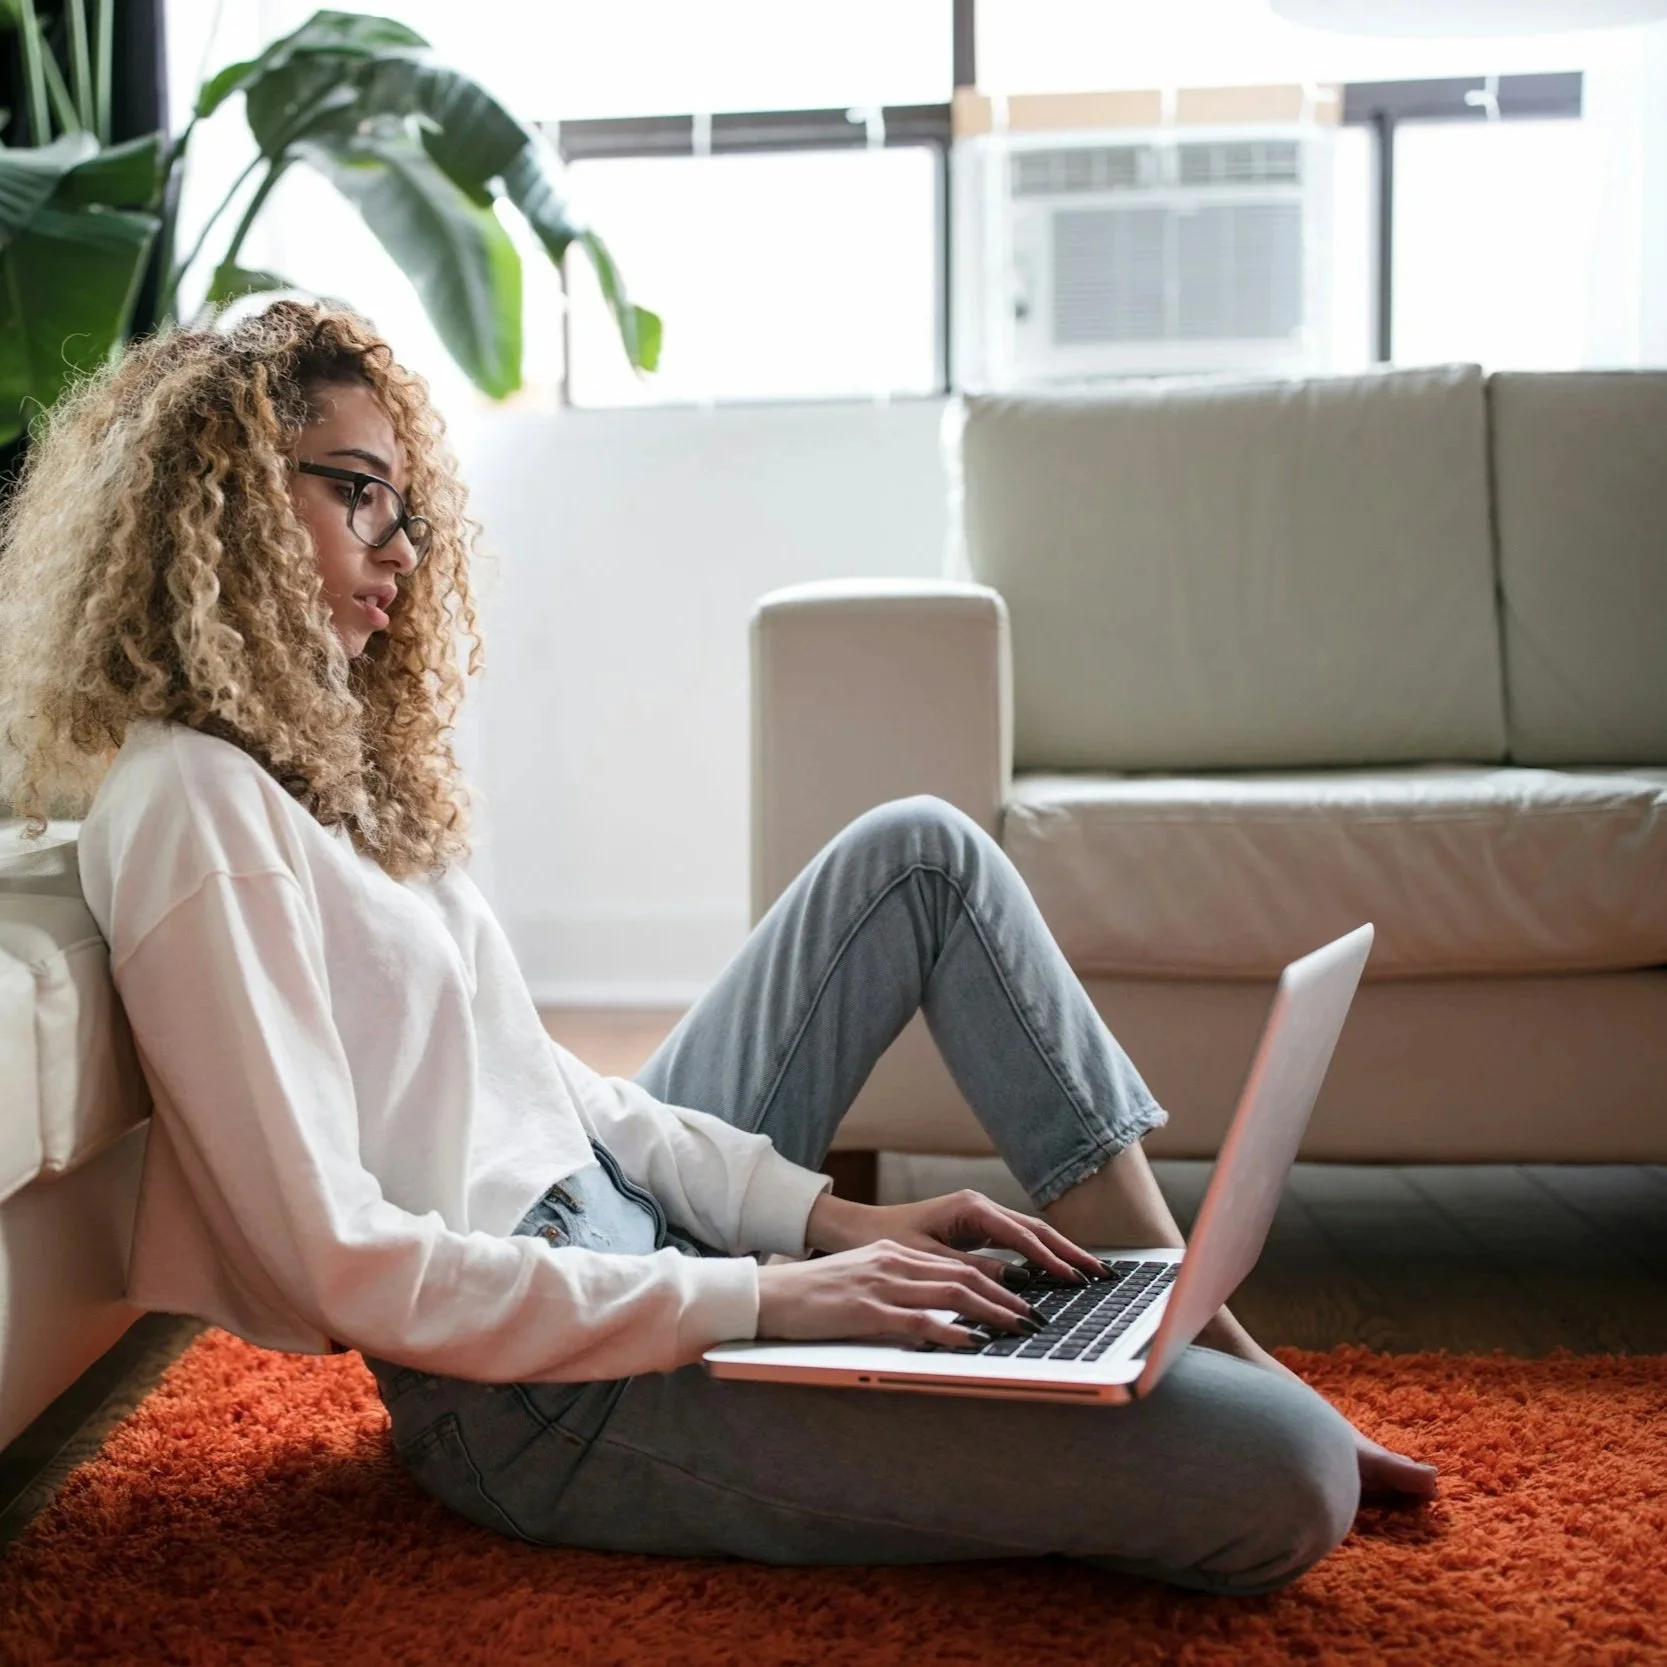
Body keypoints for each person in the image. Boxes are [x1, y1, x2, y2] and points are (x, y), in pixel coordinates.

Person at [0, 301, 1435, 1595]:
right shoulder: (192, 802)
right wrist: (766, 1295)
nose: (400, 539)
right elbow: (339, 1260)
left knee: (917, 852)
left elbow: (550, 1089)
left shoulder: (334, 768)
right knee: (1284, 1476)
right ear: (227, 501)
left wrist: (824, 1224)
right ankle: (1181, 1367)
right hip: (537, 1395)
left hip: (629, 1237)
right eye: (356, 490)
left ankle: (1177, 1309)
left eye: (408, 503)